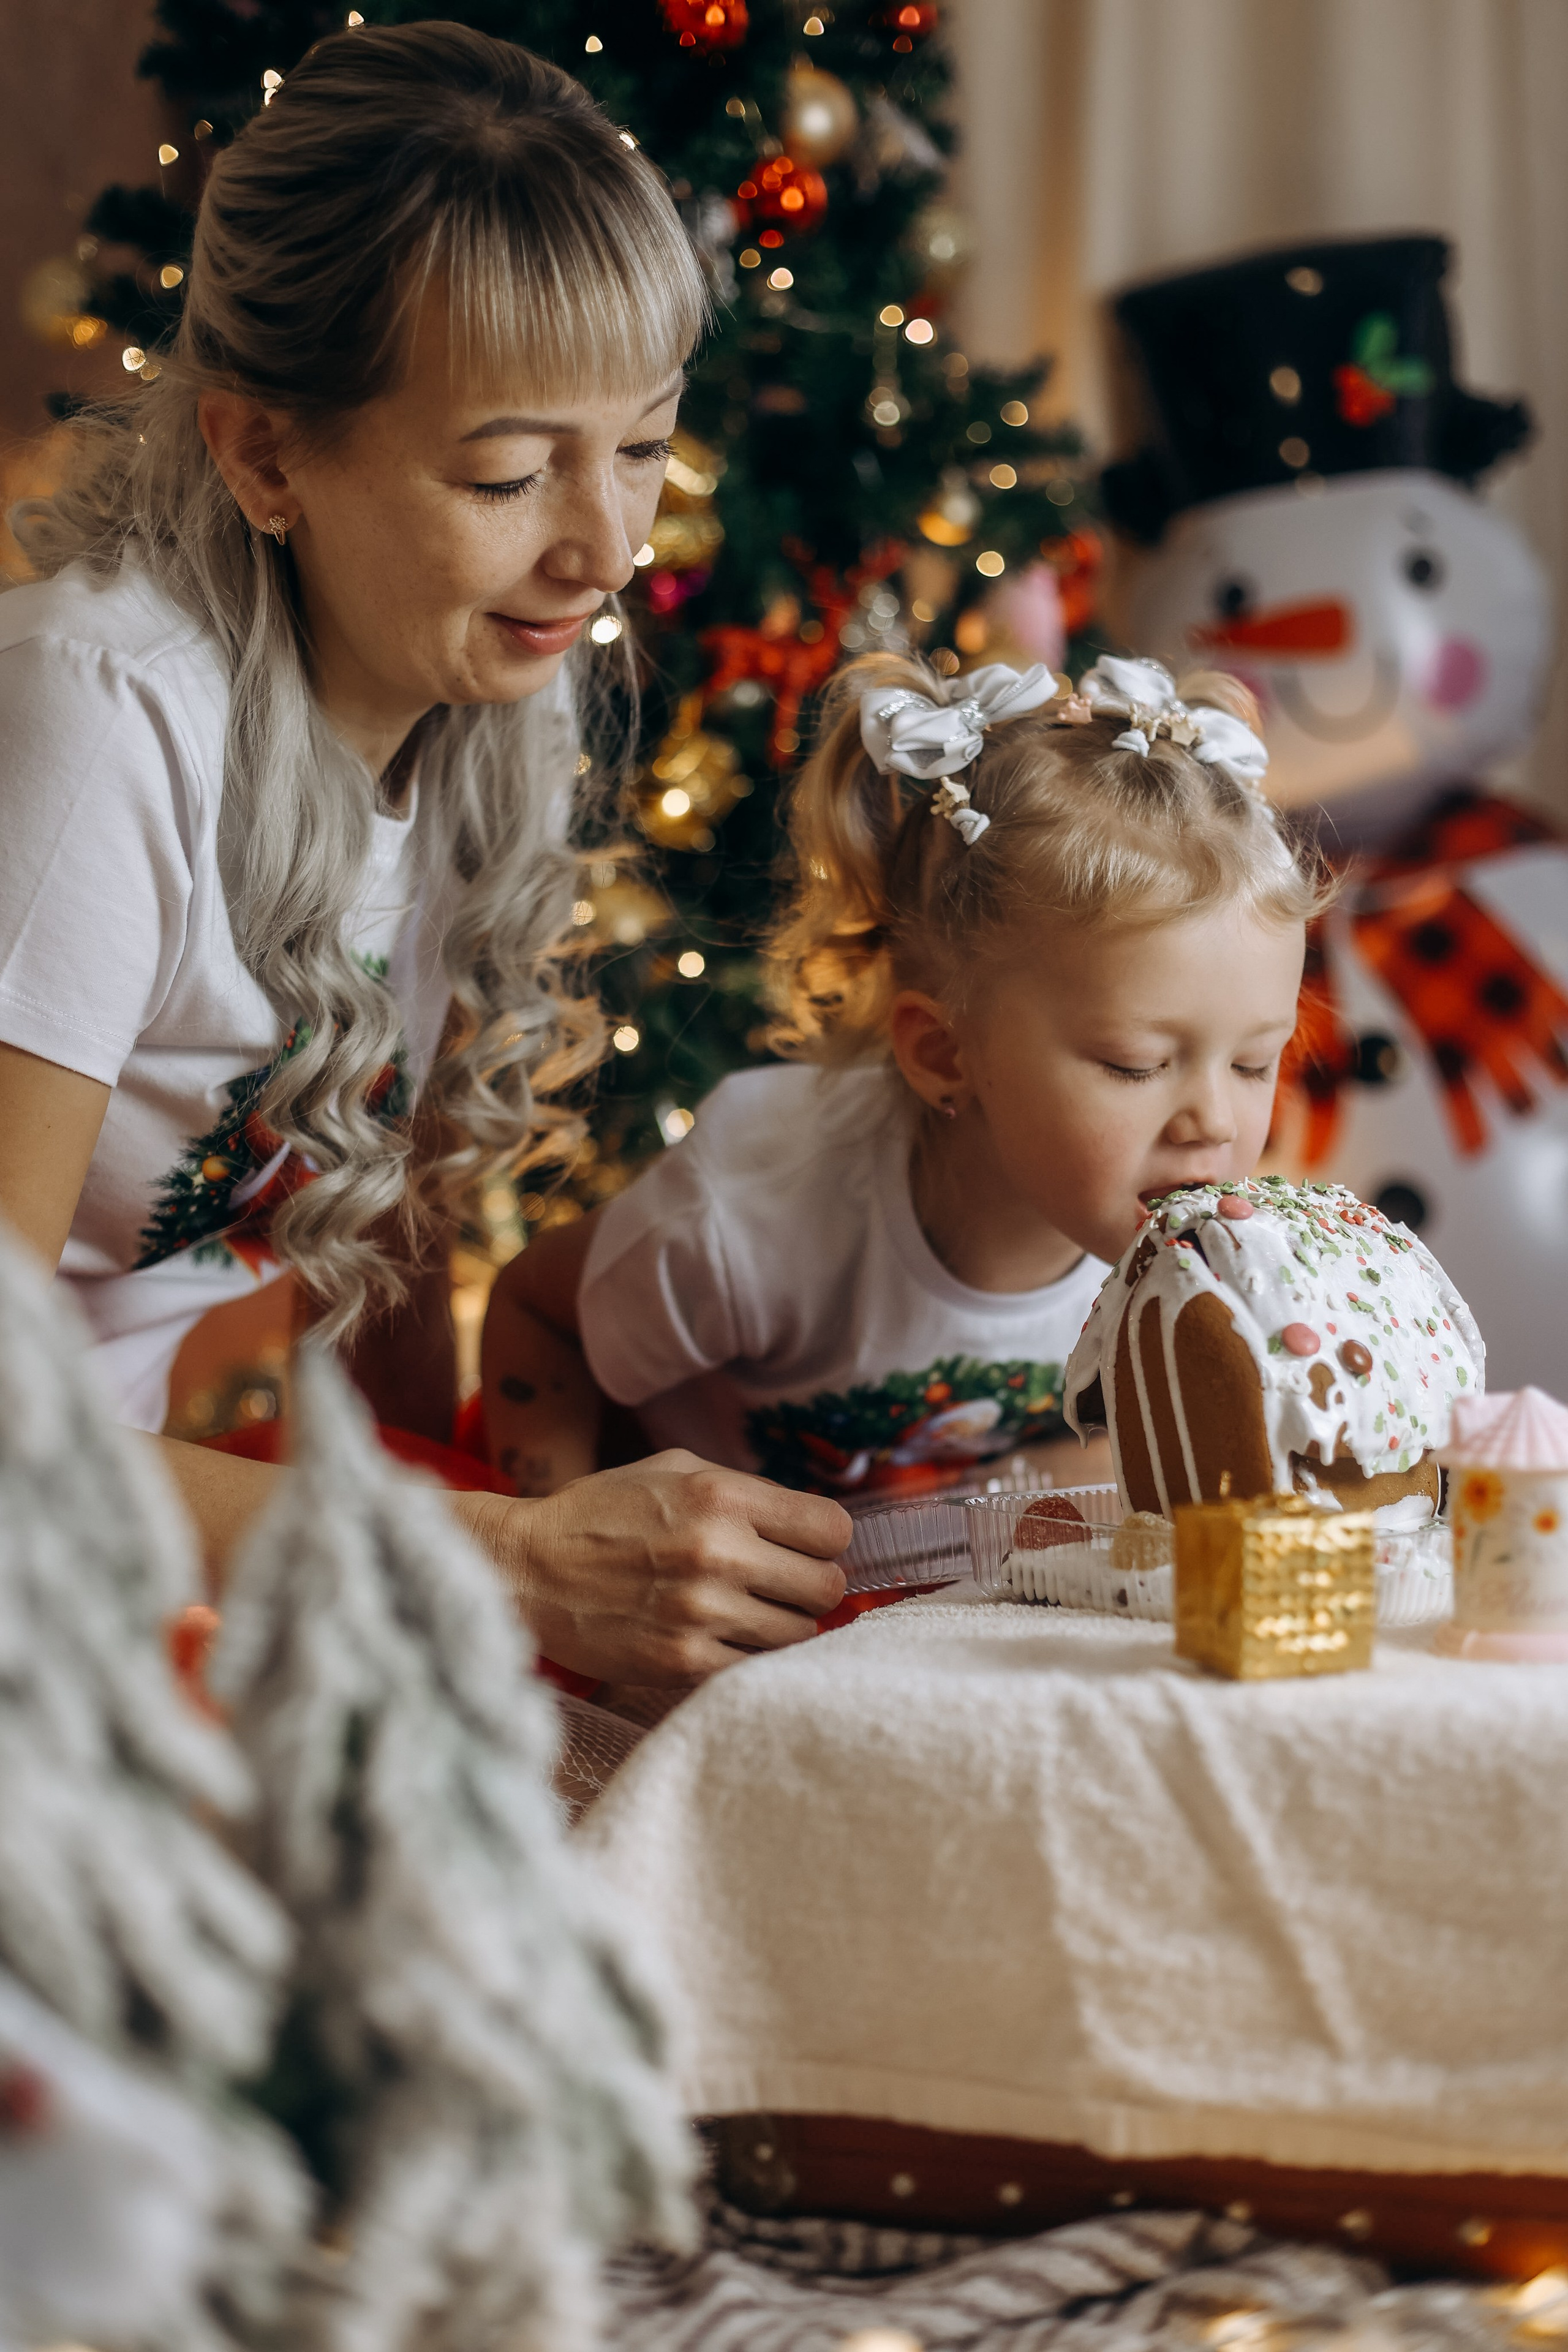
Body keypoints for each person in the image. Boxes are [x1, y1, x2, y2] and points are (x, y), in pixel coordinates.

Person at [0, 21, 848, 1684]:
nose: (603, 547)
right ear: (264, 455)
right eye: (512, 471)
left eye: (644, 446)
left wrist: (499, 1515)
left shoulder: (475, 684)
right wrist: (506, 1565)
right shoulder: (99, 721)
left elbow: (392, 1248)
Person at [484, 655, 1326, 1500]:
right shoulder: (749, 1219)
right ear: (944, 1054)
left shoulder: (1193, 1257)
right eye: (1134, 1066)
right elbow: (537, 1313)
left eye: (1256, 1062)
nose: (1215, 1122)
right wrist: (565, 1552)